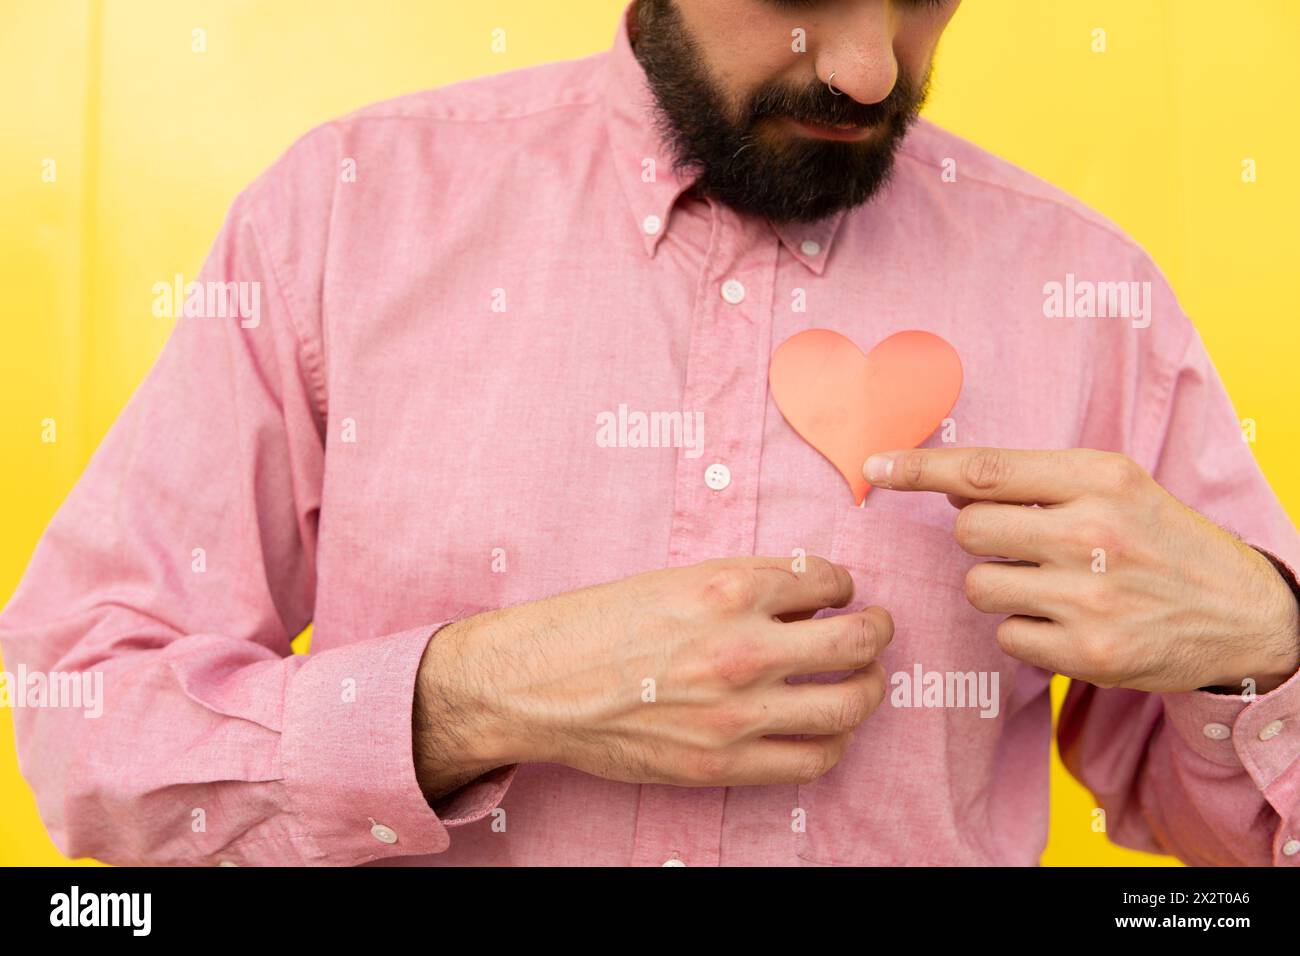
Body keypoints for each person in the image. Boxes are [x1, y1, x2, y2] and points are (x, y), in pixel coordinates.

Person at [2, 0, 1297, 867]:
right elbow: (82, 713)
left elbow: (1235, 839)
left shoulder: (1089, 295)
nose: (871, 69)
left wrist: (1269, 647)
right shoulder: (343, 216)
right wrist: (470, 695)